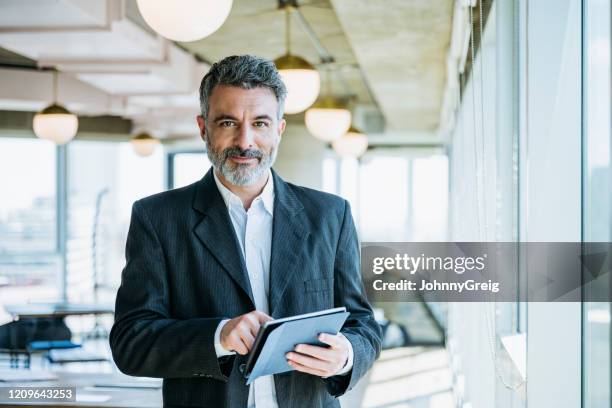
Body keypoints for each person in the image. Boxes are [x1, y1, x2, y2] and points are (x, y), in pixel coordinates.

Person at [110, 55, 382, 408]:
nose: (245, 141)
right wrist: (218, 336)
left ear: (279, 130)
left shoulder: (330, 215)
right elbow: (131, 343)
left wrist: (345, 354)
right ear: (203, 127)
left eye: (260, 123)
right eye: (227, 122)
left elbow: (363, 325)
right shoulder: (157, 218)